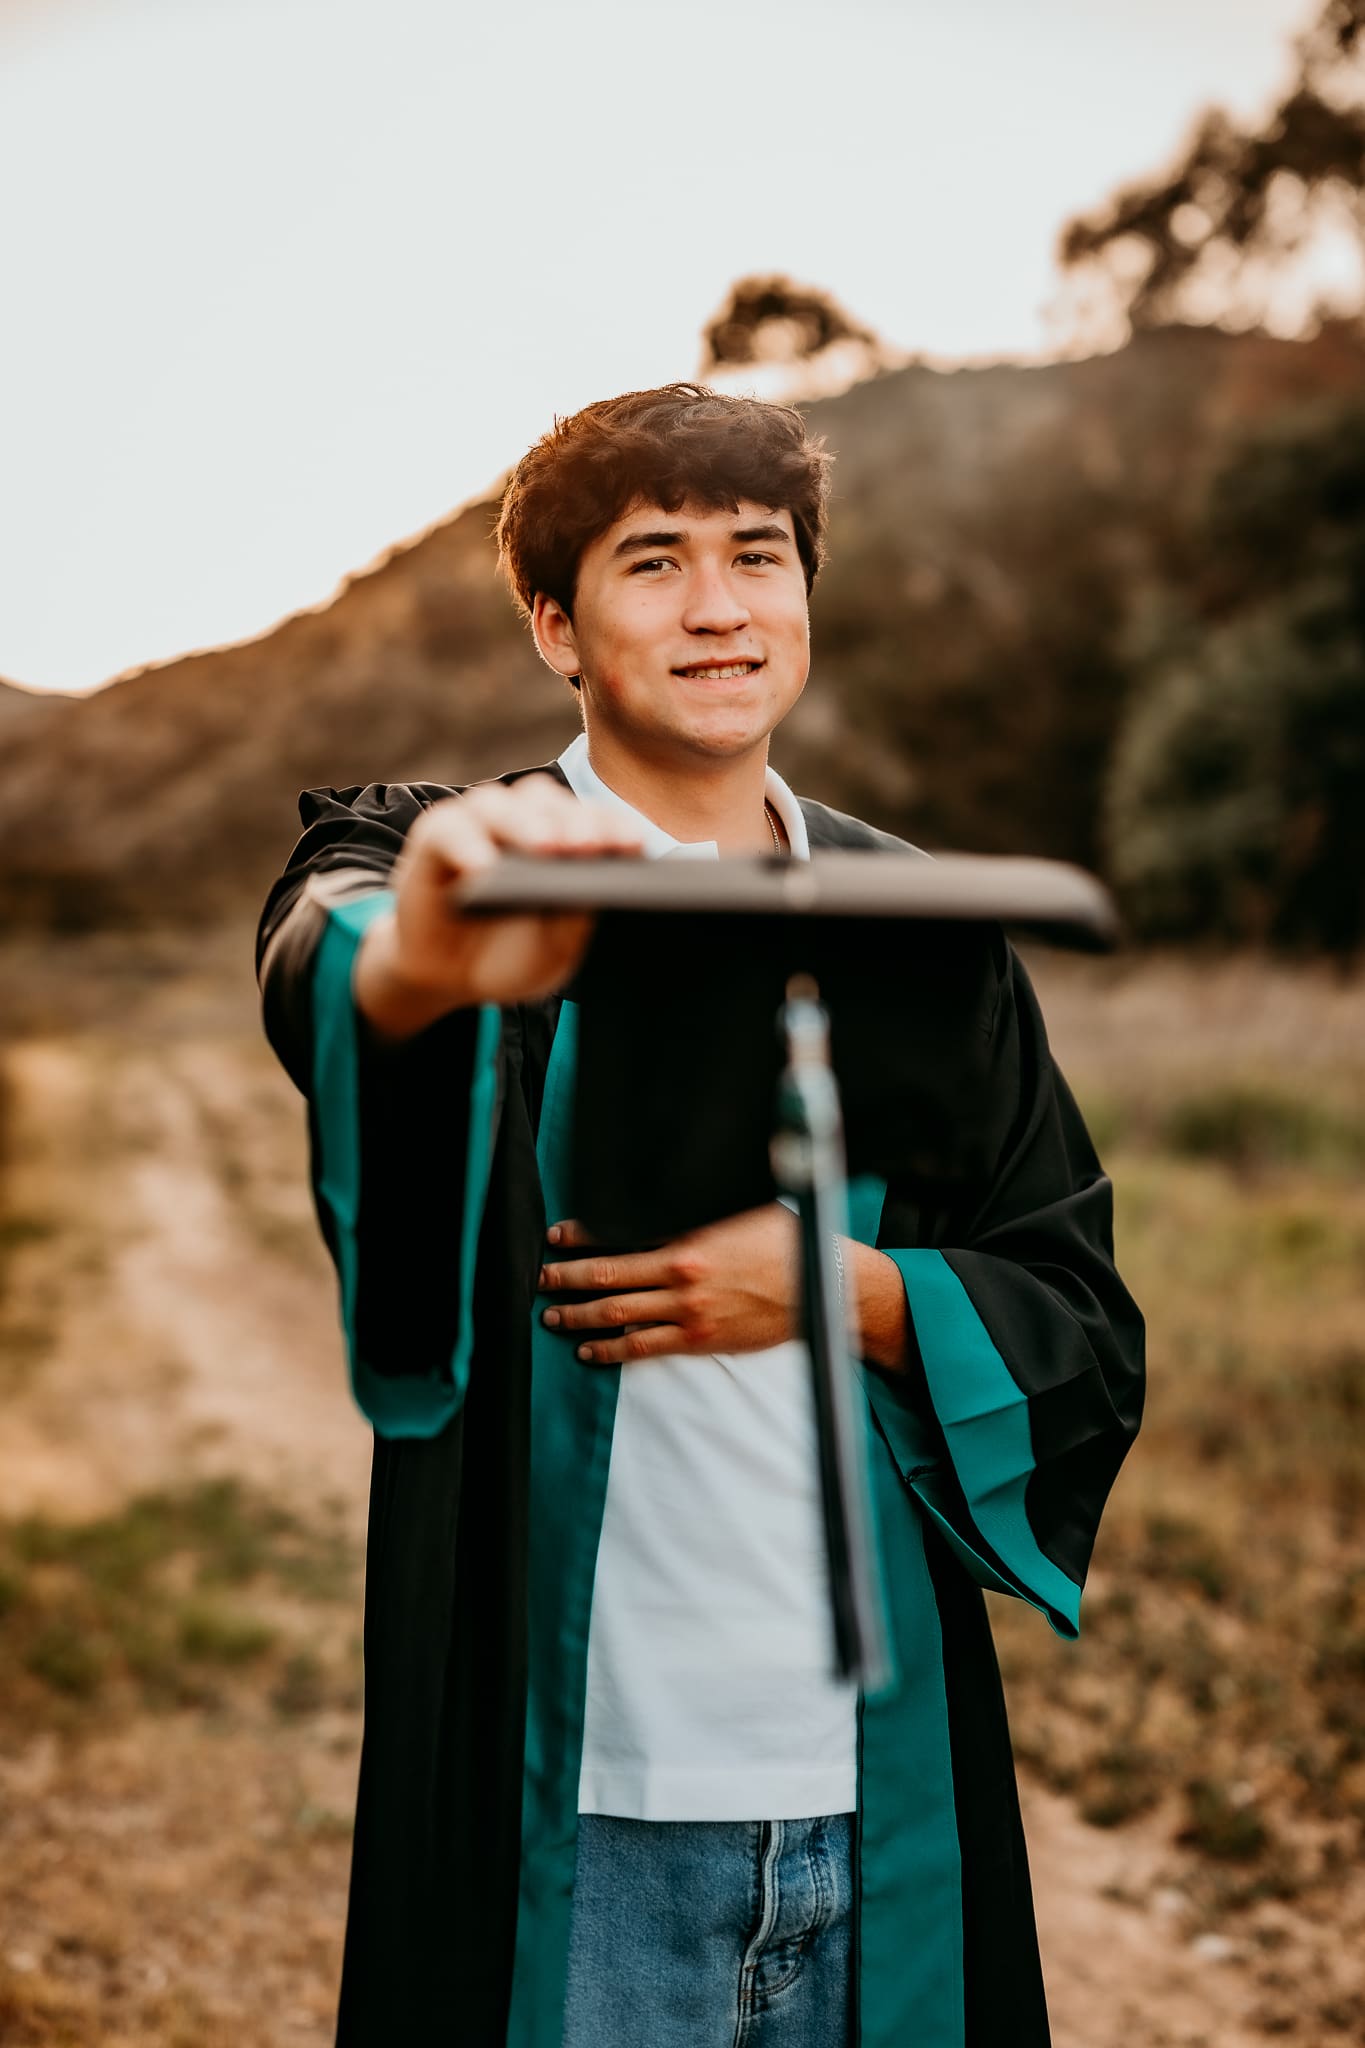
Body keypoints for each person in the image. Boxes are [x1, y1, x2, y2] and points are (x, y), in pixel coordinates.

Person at [255, 383, 1145, 2048]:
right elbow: (341, 949)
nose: (720, 607)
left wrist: (848, 1291)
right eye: (653, 563)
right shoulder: (467, 860)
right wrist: (441, 956)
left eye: (757, 555)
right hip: (576, 1819)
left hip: (863, 1805)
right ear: (552, 625)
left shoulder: (916, 928)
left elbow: (1077, 1311)